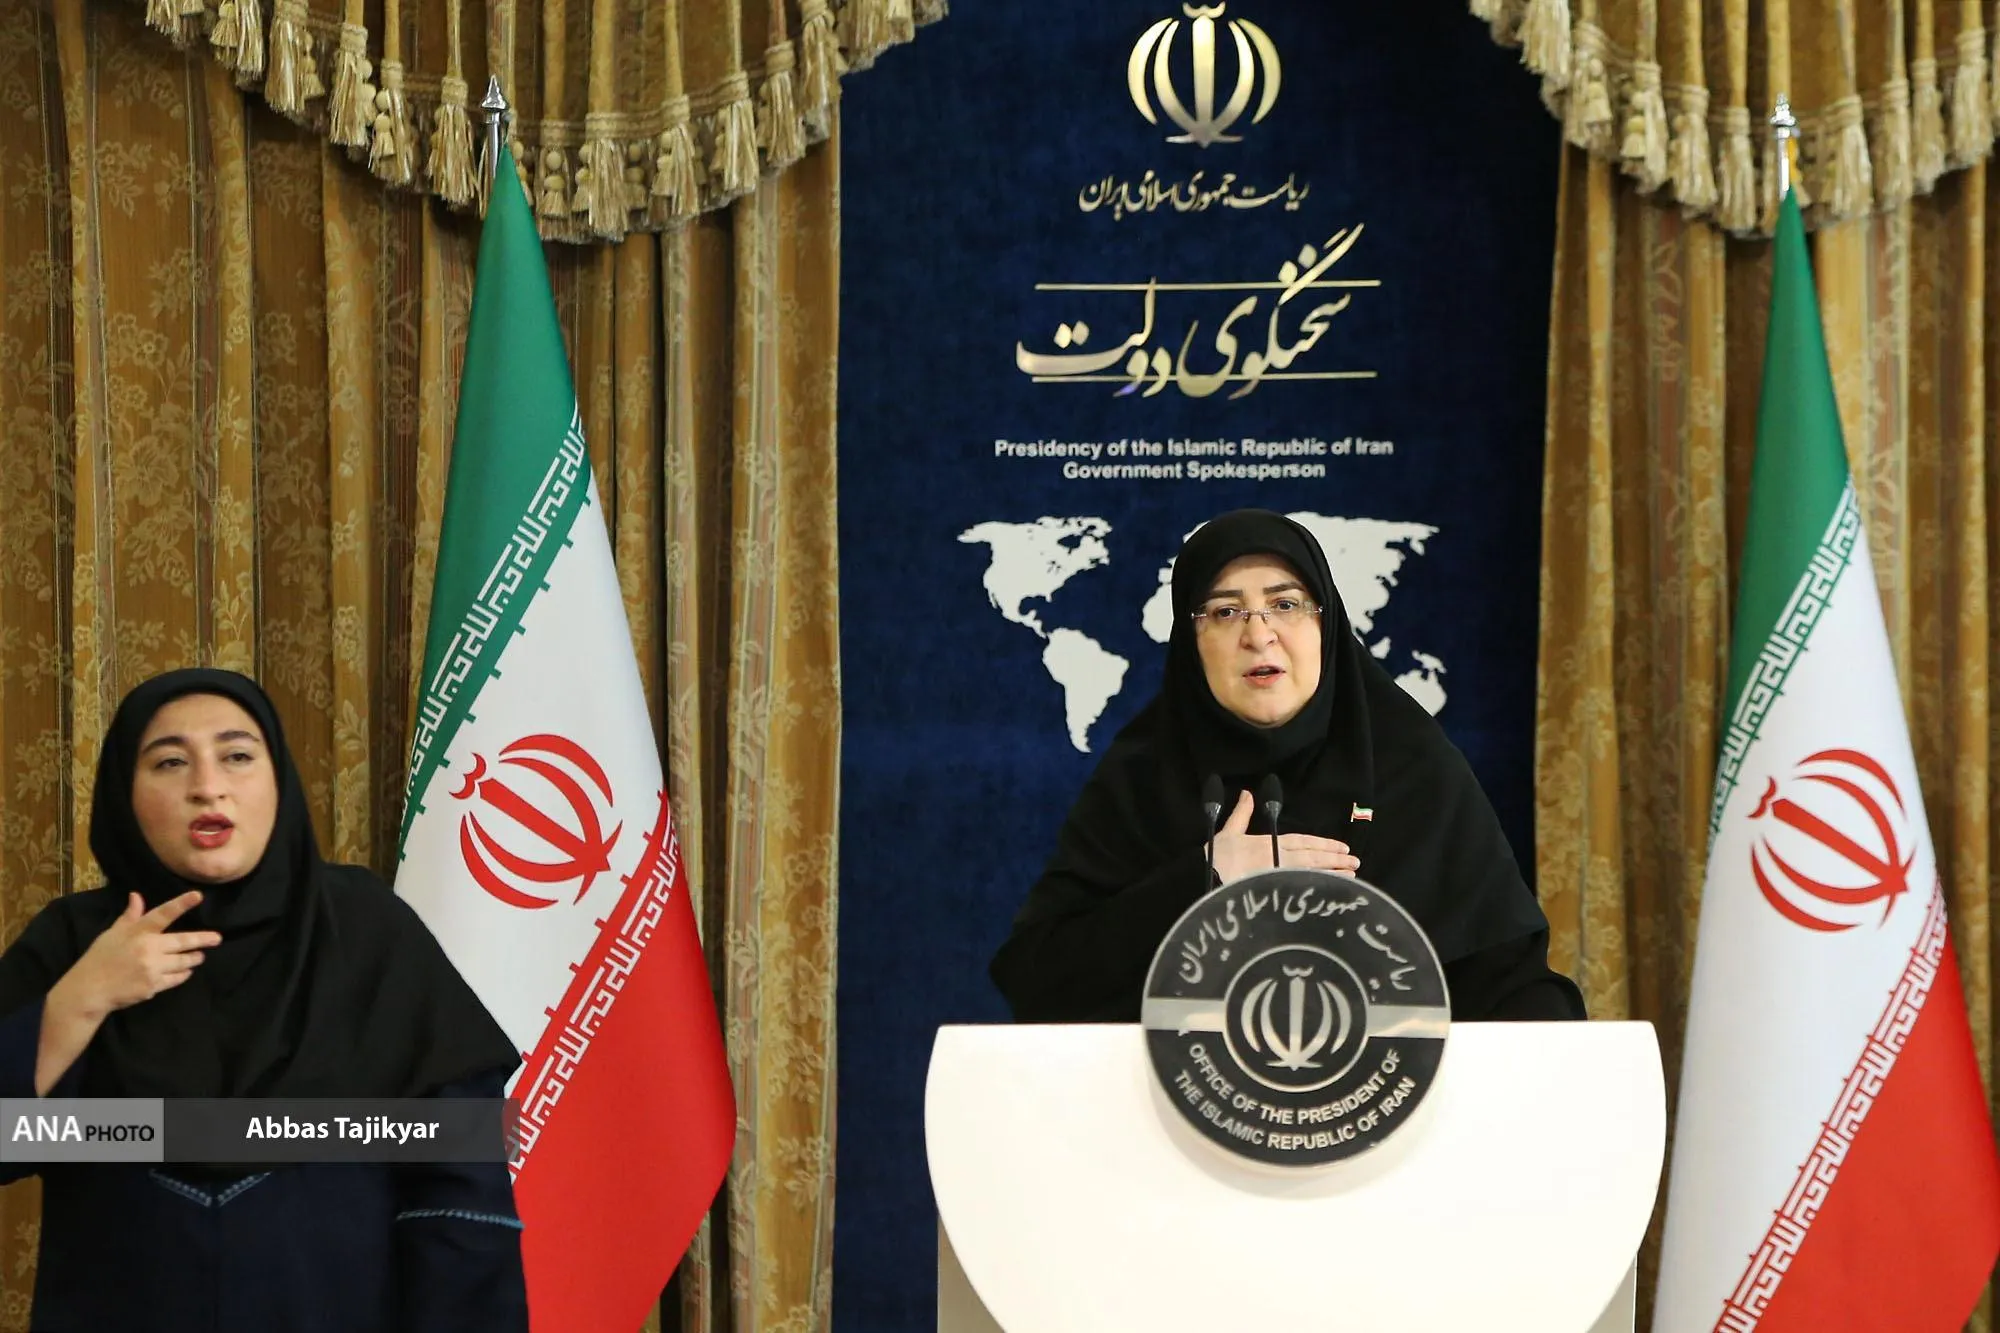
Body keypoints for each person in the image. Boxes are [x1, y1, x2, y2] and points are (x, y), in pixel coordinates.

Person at [0, 668, 529, 1331]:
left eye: (237, 756)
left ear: (279, 780)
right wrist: (82, 998)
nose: (207, 785)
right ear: (121, 794)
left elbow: (462, 1188)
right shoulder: (77, 940)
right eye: (169, 762)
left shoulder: (365, 930)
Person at [991, 509, 1584, 1023]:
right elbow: (1038, 981)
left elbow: (1511, 986)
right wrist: (1203, 884)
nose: (1259, 635)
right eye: (1225, 612)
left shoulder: (1411, 767)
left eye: (1285, 604)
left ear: (1326, 624)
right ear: (1190, 641)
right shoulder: (1144, 777)